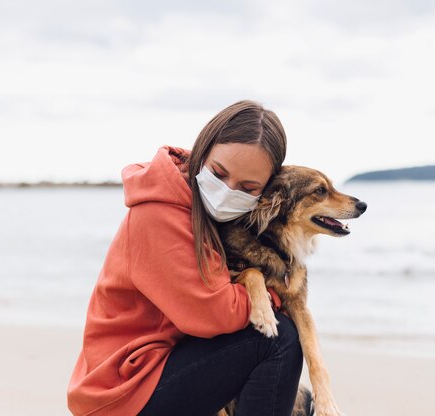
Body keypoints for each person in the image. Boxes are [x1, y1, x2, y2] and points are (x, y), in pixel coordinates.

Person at [67, 100, 306, 416]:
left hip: (156, 367)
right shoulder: (157, 213)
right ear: (203, 151)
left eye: (247, 188)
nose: (226, 191)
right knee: (276, 339)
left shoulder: (213, 215)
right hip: (121, 391)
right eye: (219, 174)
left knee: (294, 393)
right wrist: (276, 296)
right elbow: (213, 313)